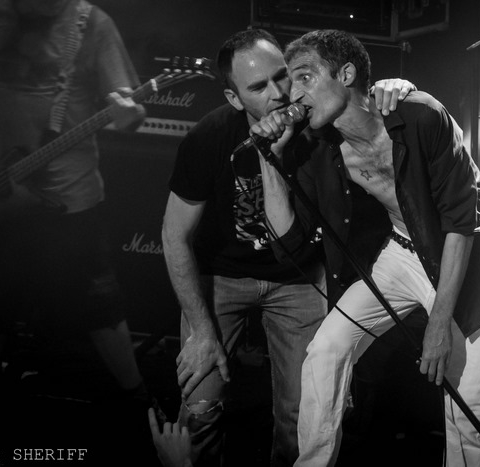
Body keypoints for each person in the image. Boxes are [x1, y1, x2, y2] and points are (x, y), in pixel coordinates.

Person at [251, 30, 480, 466]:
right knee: (326, 350)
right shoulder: (317, 145)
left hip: (469, 260)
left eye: (304, 77)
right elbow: (287, 244)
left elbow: (461, 224)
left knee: (472, 413)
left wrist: (439, 323)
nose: (292, 94)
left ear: (346, 74)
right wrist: (271, 156)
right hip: (401, 251)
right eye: (291, 82)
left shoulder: (419, 115)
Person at [161, 28, 415, 467]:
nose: (280, 94)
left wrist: (399, 88)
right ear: (234, 98)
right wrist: (201, 331)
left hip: (299, 278)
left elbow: (362, 101)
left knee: (306, 415)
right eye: (258, 87)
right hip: (223, 277)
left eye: (283, 76)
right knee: (200, 407)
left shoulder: (320, 123)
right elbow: (173, 235)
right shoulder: (210, 137)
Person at [0, 0, 148, 420]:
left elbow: (130, 112)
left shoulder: (92, 23)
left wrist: (129, 115)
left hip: (68, 196)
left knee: (97, 303)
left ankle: (138, 403)